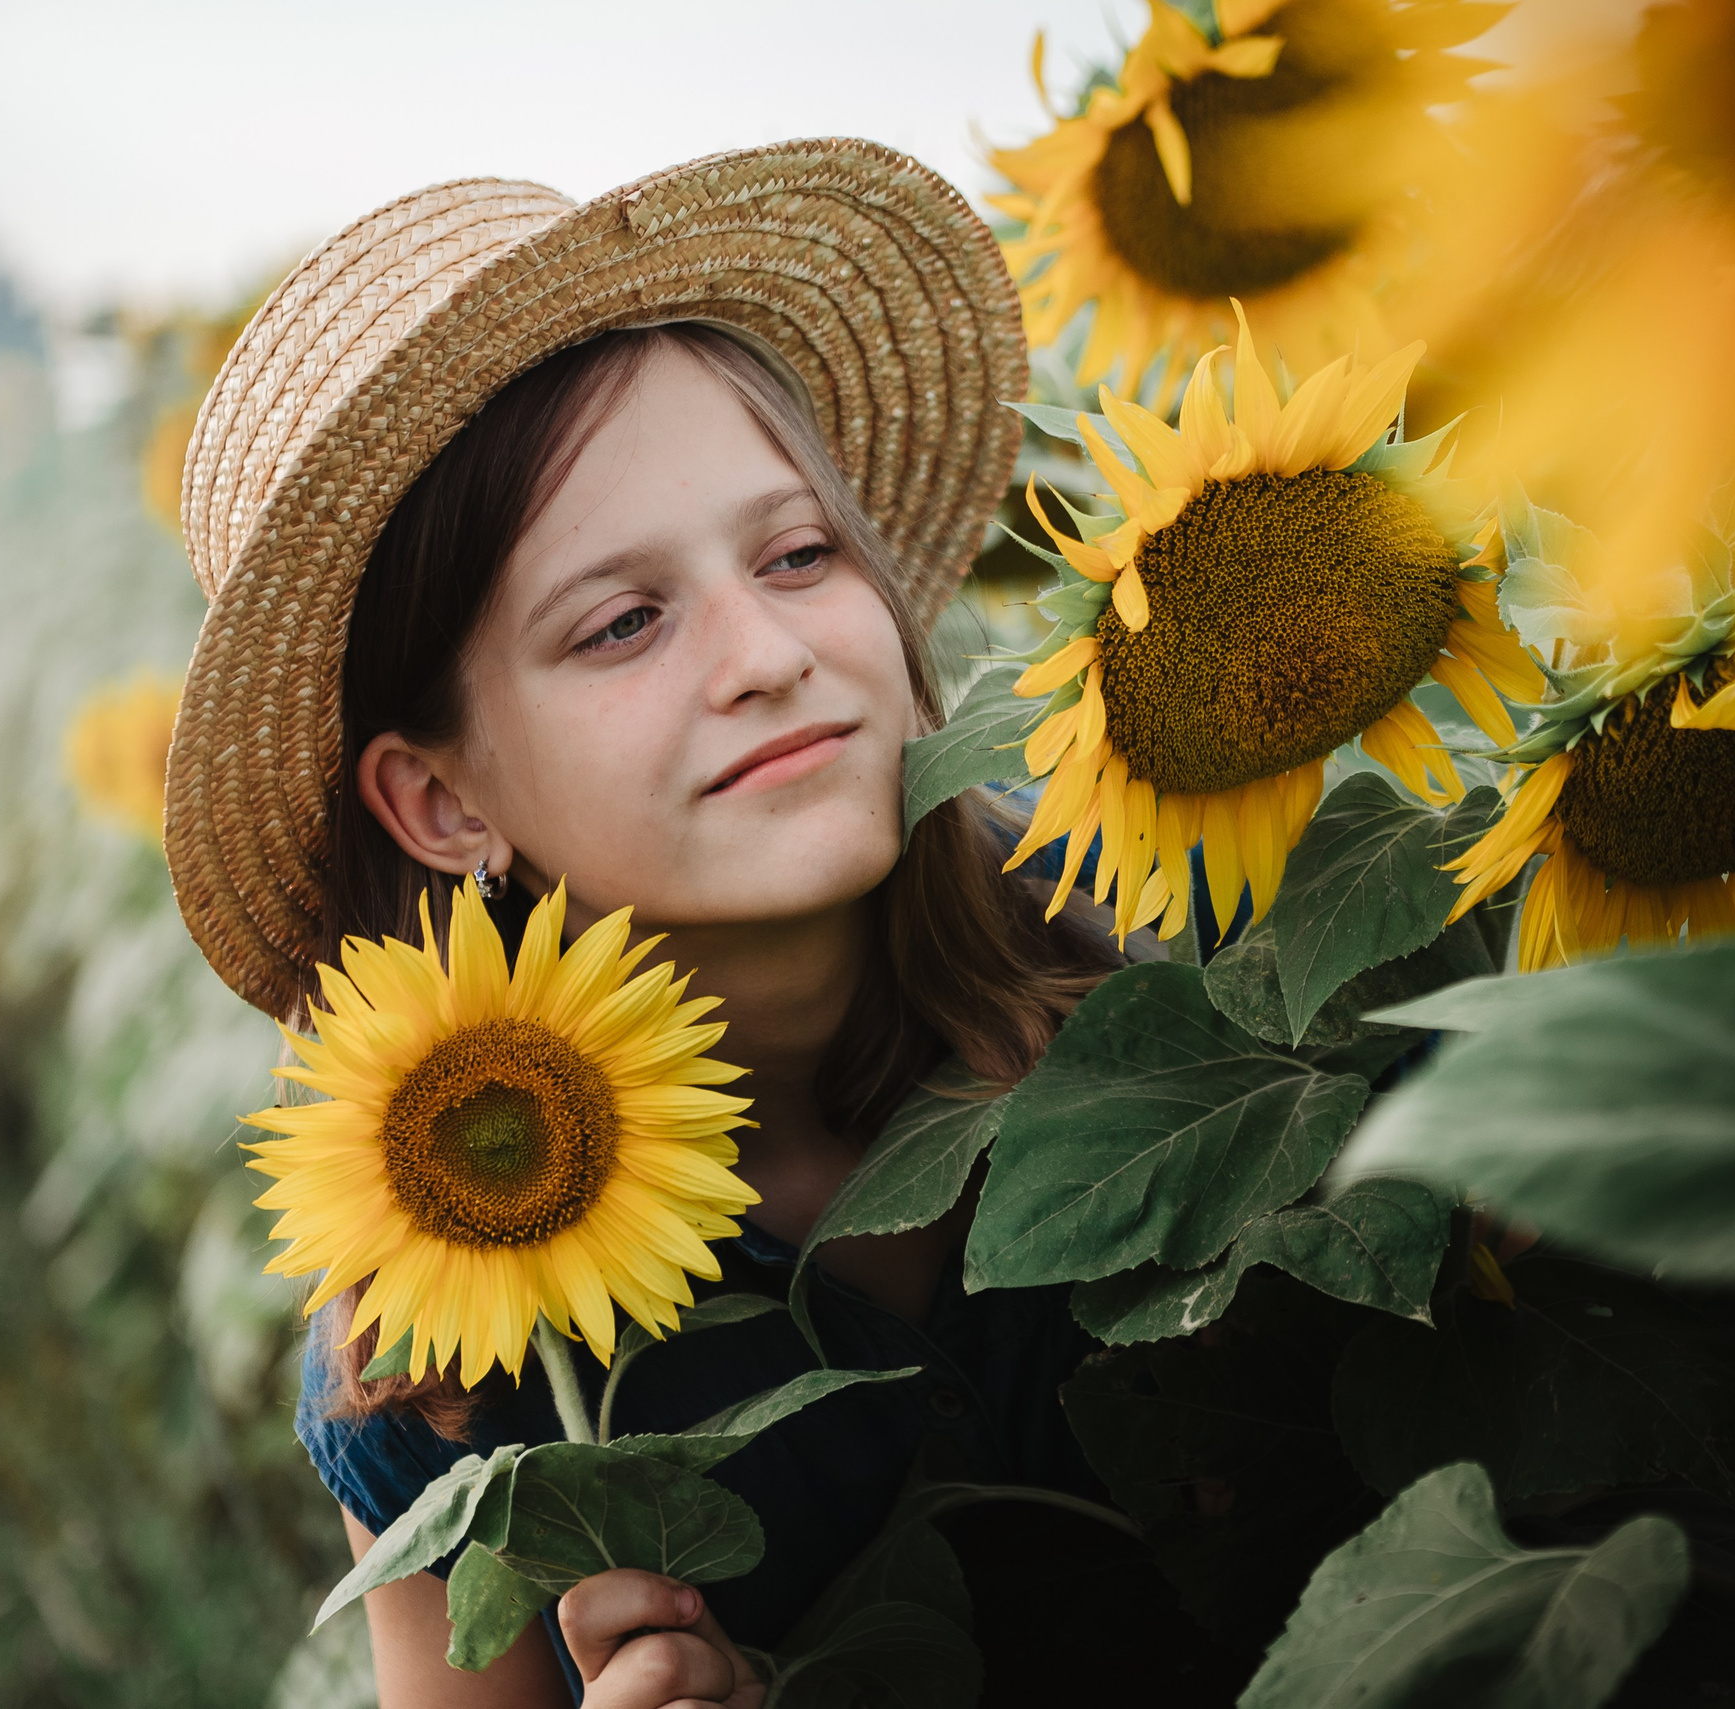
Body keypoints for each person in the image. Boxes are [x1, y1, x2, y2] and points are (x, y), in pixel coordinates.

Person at [161, 146, 1195, 1709]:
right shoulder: (462, 1367)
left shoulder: (1169, 944)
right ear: (442, 802)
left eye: (797, 554)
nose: (769, 652)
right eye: (623, 622)